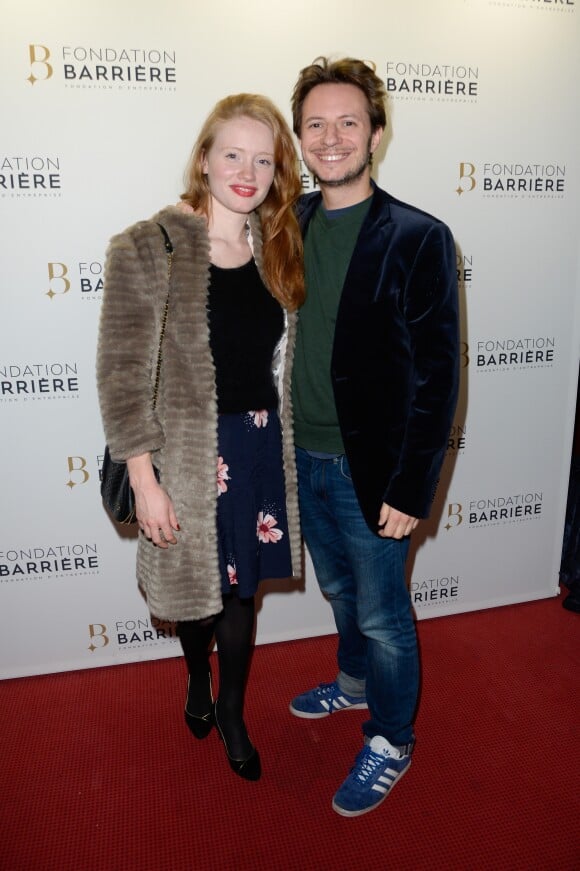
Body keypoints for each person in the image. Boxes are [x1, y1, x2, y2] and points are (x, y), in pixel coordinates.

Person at [97, 93, 304, 782]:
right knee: (197, 593)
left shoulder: (276, 246)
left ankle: (233, 709)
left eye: (264, 159)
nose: (247, 171)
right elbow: (122, 376)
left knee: (242, 597)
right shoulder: (148, 246)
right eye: (233, 153)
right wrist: (146, 481)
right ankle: (195, 680)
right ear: (204, 159)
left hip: (256, 449)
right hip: (185, 455)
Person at [288, 57, 459, 816]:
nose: (331, 138)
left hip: (375, 471)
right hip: (301, 455)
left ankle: (391, 737)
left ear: (376, 134)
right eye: (315, 124)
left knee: (385, 613)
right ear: (298, 138)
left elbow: (439, 376)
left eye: (348, 122)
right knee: (337, 590)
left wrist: (409, 486)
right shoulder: (284, 222)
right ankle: (352, 684)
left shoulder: (419, 236)